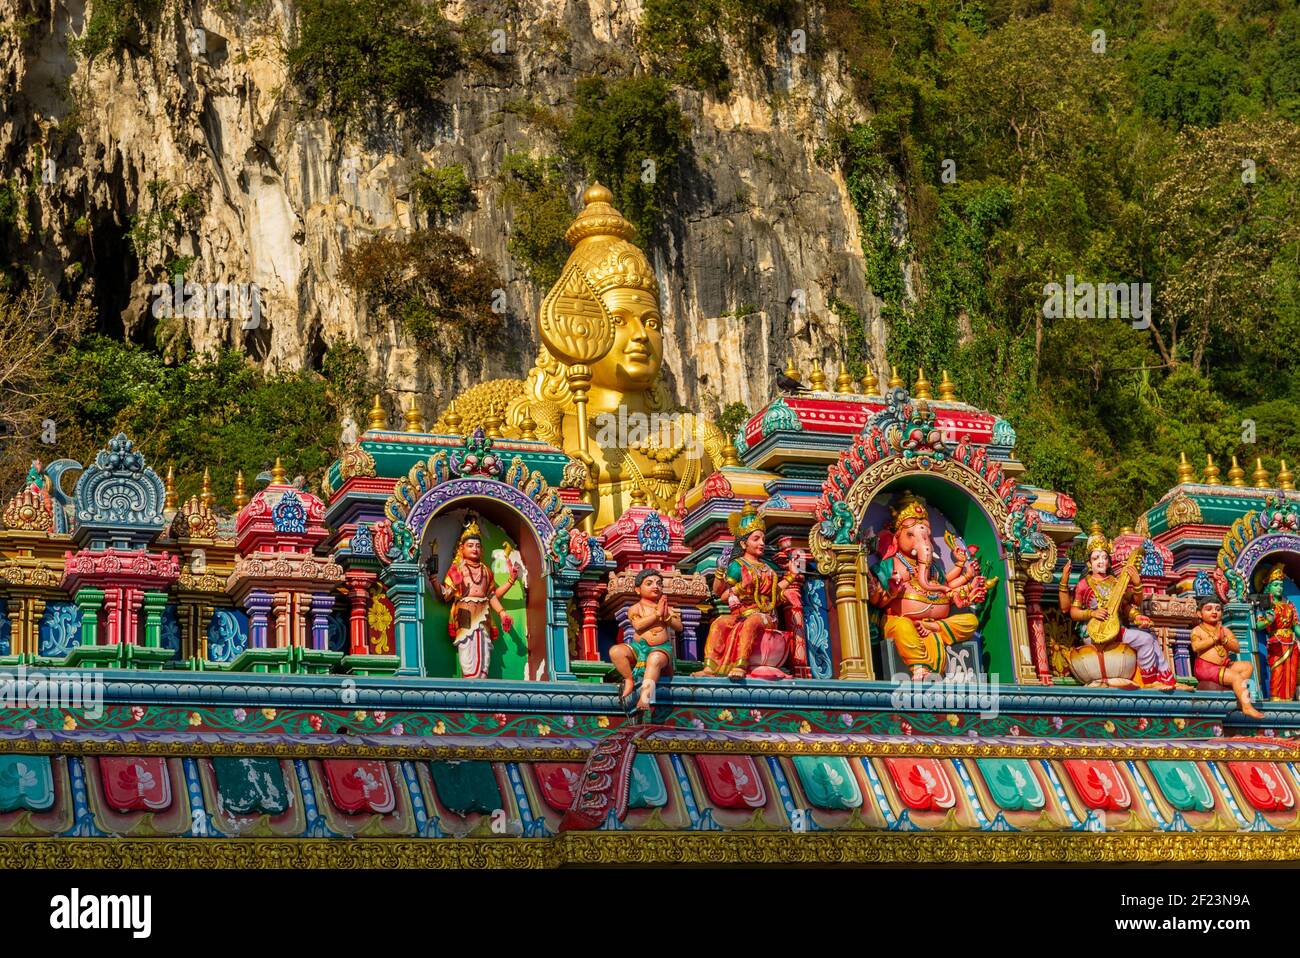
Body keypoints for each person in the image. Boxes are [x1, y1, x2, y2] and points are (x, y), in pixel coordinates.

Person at [1059, 524, 1175, 691]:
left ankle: (1164, 679)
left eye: (1104, 557)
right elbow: (1073, 612)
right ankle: (1149, 682)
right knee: (1146, 640)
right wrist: (1092, 613)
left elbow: (1128, 605)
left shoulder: (1116, 583)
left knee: (1149, 637)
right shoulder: (1084, 584)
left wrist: (1137, 606)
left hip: (1116, 629)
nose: (1101, 561)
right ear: (1089, 563)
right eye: (1096, 558)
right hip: (1094, 632)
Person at [432, 518, 515, 679]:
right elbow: (445, 595)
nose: (475, 549)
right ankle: (470, 681)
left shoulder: (486, 571)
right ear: (461, 548)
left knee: (484, 646)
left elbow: (491, 595)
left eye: (477, 546)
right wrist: (434, 580)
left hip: (483, 611)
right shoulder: (458, 569)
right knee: (466, 645)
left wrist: (503, 613)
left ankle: (481, 682)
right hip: (464, 610)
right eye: (470, 546)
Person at [610, 569, 680, 711]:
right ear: (638, 589)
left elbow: (679, 627)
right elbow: (638, 625)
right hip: (638, 649)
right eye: (649, 583)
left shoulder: (668, 609)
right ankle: (629, 679)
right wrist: (657, 614)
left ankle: (645, 698)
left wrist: (666, 617)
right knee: (616, 651)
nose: (656, 586)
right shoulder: (635, 609)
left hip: (660, 650)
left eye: (659, 583)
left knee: (653, 659)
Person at [1191, 595, 1262, 718]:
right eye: (1209, 609)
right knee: (1235, 677)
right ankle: (1246, 706)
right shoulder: (1198, 630)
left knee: (1247, 667)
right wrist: (1214, 638)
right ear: (1199, 614)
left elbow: (1237, 648)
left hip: (1223, 665)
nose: (1214, 612)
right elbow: (1196, 647)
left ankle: (1236, 691)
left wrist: (1224, 640)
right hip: (1206, 668)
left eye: (1218, 609)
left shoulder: (1225, 630)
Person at [1256, 563, 1300, 701]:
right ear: (1269, 586)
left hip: (1291, 642)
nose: (1279, 588)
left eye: (1281, 585)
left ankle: (1289, 698)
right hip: (1276, 642)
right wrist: (1268, 621)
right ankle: (1275, 697)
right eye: (1276, 585)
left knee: (1291, 672)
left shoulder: (1289, 604)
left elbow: (1296, 626)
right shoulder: (1266, 603)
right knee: (1278, 671)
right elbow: (1257, 625)